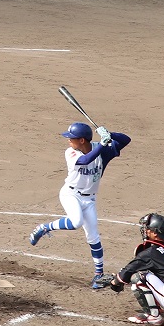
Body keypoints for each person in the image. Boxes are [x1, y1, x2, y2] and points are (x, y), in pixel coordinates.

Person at [29, 122, 132, 289]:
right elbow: (85, 160)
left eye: (72, 138)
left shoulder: (102, 149)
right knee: (76, 222)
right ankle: (44, 228)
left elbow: (126, 140)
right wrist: (104, 143)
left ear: (82, 140)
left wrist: (109, 134)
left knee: (94, 237)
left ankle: (98, 276)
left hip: (89, 199)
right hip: (71, 194)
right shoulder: (71, 152)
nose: (69, 141)